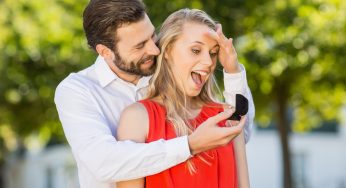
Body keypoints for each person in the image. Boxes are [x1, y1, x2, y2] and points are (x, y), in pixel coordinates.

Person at [54, 0, 255, 188]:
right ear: (106, 52)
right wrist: (191, 145)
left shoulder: (172, 71)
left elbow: (239, 133)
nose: (154, 49)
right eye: (140, 45)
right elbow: (103, 162)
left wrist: (233, 71)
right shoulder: (78, 90)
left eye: (152, 36)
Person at [116, 8, 250, 188]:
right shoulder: (137, 117)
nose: (209, 62)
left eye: (213, 53)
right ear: (168, 50)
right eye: (196, 50)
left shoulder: (227, 117)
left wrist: (232, 68)